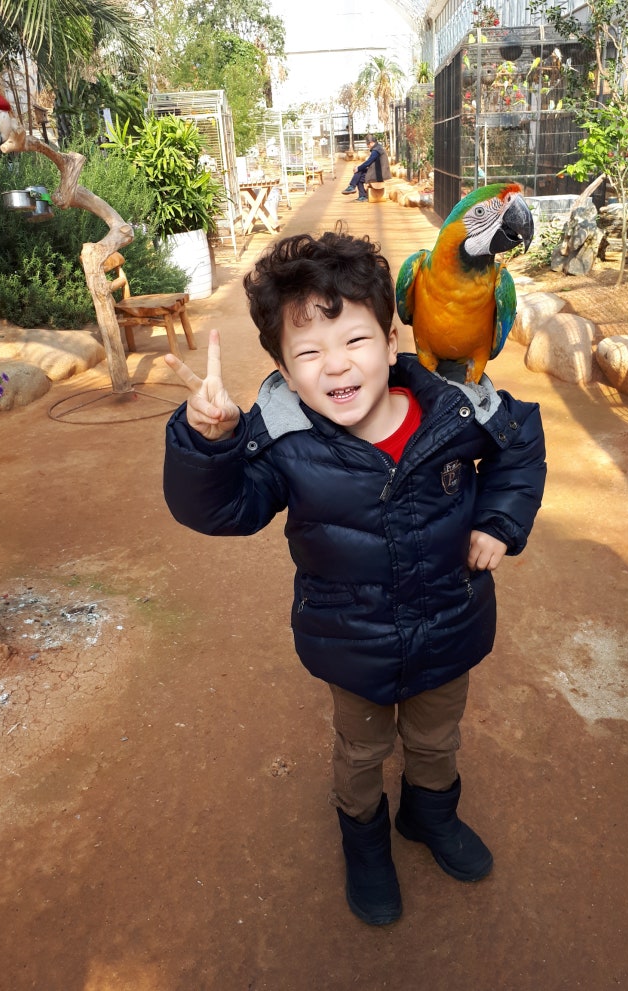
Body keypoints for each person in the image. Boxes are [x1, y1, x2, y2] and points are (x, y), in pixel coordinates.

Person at [163, 229, 546, 927]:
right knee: (362, 751)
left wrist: (498, 521)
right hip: (352, 644)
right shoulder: (286, 442)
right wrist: (207, 443)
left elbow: (519, 444)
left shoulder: (455, 410)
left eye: (355, 340)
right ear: (283, 368)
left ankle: (430, 816)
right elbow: (221, 509)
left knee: (436, 740)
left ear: (392, 339)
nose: (336, 364)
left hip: (450, 627)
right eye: (308, 352)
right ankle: (364, 842)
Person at [341, 134, 392, 201]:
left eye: (367, 145)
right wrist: (359, 168)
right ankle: (358, 193)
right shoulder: (378, 148)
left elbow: (368, 162)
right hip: (377, 172)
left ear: (371, 143)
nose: (368, 146)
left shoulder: (376, 151)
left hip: (379, 175)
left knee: (359, 174)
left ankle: (354, 188)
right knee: (359, 174)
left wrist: (358, 168)